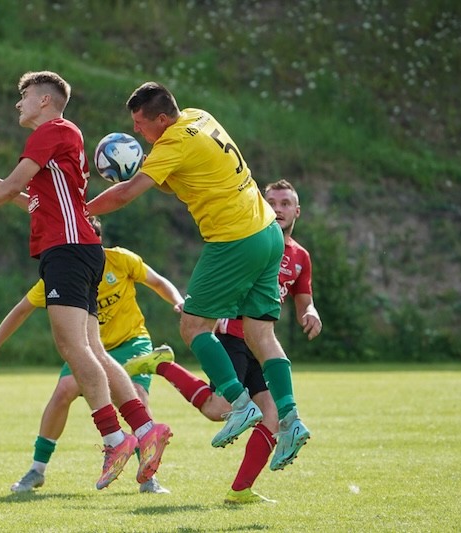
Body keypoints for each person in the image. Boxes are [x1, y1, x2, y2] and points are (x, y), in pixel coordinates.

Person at [0, 71, 171, 490]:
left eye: (23, 96)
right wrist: (19, 196)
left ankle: (115, 439)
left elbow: (13, 184)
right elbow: (48, 200)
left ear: (44, 100)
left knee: (72, 347)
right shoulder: (63, 139)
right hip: (81, 247)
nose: (18, 104)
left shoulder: (52, 130)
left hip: (68, 250)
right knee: (92, 348)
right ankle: (145, 428)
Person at [86, 81, 310, 476]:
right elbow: (180, 179)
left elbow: (125, 195)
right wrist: (150, 168)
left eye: (140, 123)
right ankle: (291, 420)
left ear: (161, 119)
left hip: (235, 239)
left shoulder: (173, 143)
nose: (136, 130)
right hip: (269, 234)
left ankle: (238, 403)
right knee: (261, 335)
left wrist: (81, 210)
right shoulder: (198, 117)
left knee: (193, 326)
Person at [124, 179, 322, 504]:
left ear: (297, 211)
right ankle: (163, 366)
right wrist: (202, 310)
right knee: (219, 411)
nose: (278, 209)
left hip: (262, 345)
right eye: (271, 202)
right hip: (232, 338)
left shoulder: (300, 256)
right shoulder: (249, 242)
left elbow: (304, 299)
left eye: (285, 203)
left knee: (272, 415)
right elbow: (222, 283)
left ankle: (240, 491)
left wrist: (310, 312)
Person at [0, 216, 183, 494]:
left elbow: (157, 281)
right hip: (87, 348)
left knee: (136, 394)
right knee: (63, 391)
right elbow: (21, 310)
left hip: (130, 341)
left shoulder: (120, 260)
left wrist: (179, 301)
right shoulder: (64, 272)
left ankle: (148, 477)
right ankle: (36, 470)